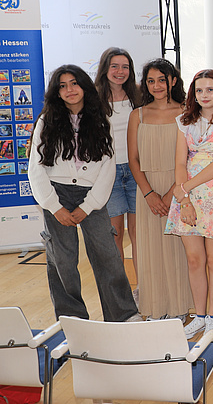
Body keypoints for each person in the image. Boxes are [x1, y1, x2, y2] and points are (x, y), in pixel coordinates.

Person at [29, 65, 140, 322]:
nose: (70, 90)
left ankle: (123, 315)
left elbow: (107, 167)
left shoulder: (101, 120)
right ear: (56, 92)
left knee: (108, 255)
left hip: (91, 196)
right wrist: (54, 206)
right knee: (62, 260)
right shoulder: (46, 121)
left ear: (85, 87)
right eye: (63, 85)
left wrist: (88, 206)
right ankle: (71, 318)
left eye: (74, 83)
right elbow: (35, 168)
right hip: (56, 194)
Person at [165, 69, 213, 338]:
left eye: (210, 89)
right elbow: (178, 162)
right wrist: (184, 198)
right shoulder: (183, 122)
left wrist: (184, 188)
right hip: (187, 199)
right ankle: (199, 316)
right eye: (199, 90)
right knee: (194, 260)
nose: (204, 95)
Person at [127, 59, 193, 320]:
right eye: (151, 81)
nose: (156, 86)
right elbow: (133, 159)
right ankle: (154, 307)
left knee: (178, 249)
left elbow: (191, 157)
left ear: (173, 81)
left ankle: (179, 308)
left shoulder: (187, 112)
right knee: (150, 250)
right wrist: (149, 194)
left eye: (162, 80)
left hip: (180, 188)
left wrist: (172, 193)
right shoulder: (138, 115)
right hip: (147, 190)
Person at [94, 48, 140, 287]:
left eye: (125, 67)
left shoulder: (139, 97)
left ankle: (144, 291)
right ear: (105, 68)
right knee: (115, 237)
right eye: (115, 66)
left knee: (138, 236)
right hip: (108, 175)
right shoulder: (92, 99)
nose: (120, 72)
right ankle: (121, 295)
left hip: (136, 172)